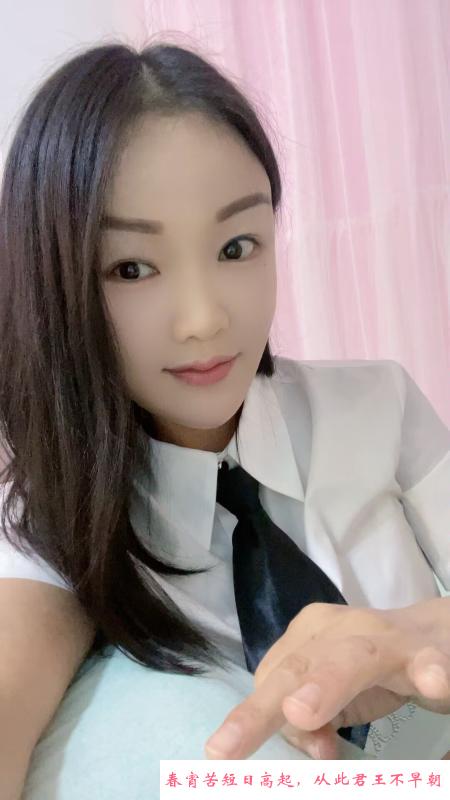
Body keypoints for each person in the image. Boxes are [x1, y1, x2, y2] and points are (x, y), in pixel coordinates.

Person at [0, 40, 448, 798]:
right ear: (56, 284)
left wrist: (416, 633)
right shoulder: (54, 527)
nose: (205, 319)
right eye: (132, 268)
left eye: (237, 246)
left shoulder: (380, 406)